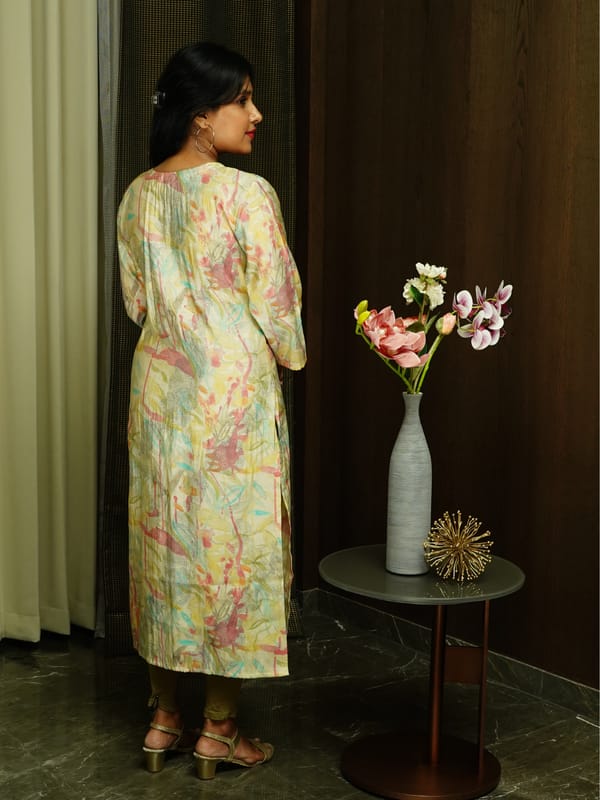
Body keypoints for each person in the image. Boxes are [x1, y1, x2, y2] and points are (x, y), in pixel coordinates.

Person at [117, 42, 306, 780]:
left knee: (165, 544)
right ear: (201, 116)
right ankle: (220, 730)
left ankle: (164, 718)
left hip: (161, 388)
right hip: (230, 389)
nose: (256, 114)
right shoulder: (246, 194)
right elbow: (278, 300)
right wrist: (284, 352)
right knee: (232, 547)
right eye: (243, 100)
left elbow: (138, 301)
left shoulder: (138, 195)